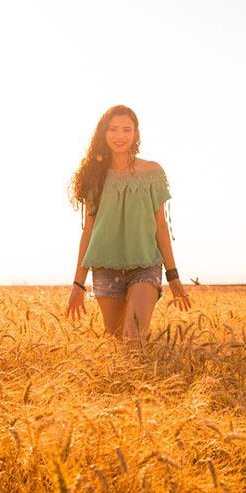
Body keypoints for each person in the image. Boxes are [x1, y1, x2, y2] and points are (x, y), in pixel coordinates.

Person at [65, 105, 191, 344]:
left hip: (145, 264)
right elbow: (89, 232)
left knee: (134, 339)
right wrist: (77, 285)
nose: (119, 135)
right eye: (112, 129)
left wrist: (173, 276)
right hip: (105, 267)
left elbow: (161, 226)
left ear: (136, 134)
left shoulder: (152, 172)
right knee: (117, 342)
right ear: (103, 133)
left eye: (126, 129)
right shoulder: (95, 176)